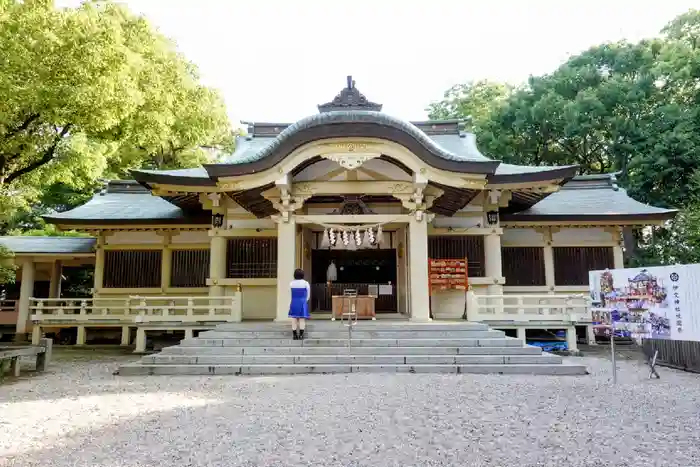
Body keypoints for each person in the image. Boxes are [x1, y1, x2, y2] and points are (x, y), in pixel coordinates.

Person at [289, 268, 311, 340]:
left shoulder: (291, 283)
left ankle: (294, 335)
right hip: (302, 302)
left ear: (294, 275)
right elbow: (308, 295)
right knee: (302, 319)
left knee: (294, 319)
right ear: (302, 275)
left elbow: (289, 293)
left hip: (294, 302)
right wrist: (305, 300)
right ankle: (301, 335)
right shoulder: (305, 283)